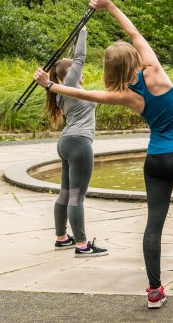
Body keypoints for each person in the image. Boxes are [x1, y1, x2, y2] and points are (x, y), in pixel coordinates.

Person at [33, 0, 173, 310]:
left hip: (156, 162)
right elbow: (135, 33)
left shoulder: (122, 95)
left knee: (153, 225)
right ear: (135, 57)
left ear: (109, 68)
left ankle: (154, 291)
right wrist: (110, 7)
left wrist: (50, 86)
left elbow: (85, 93)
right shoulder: (155, 72)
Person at [45, 26, 108, 258]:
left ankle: (62, 238)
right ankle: (82, 245)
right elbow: (79, 57)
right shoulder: (70, 86)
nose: (80, 69)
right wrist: (82, 31)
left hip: (66, 143)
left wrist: (75, 36)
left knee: (65, 193)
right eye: (75, 68)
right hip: (79, 143)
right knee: (76, 196)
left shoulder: (63, 90)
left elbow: (73, 61)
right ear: (70, 72)